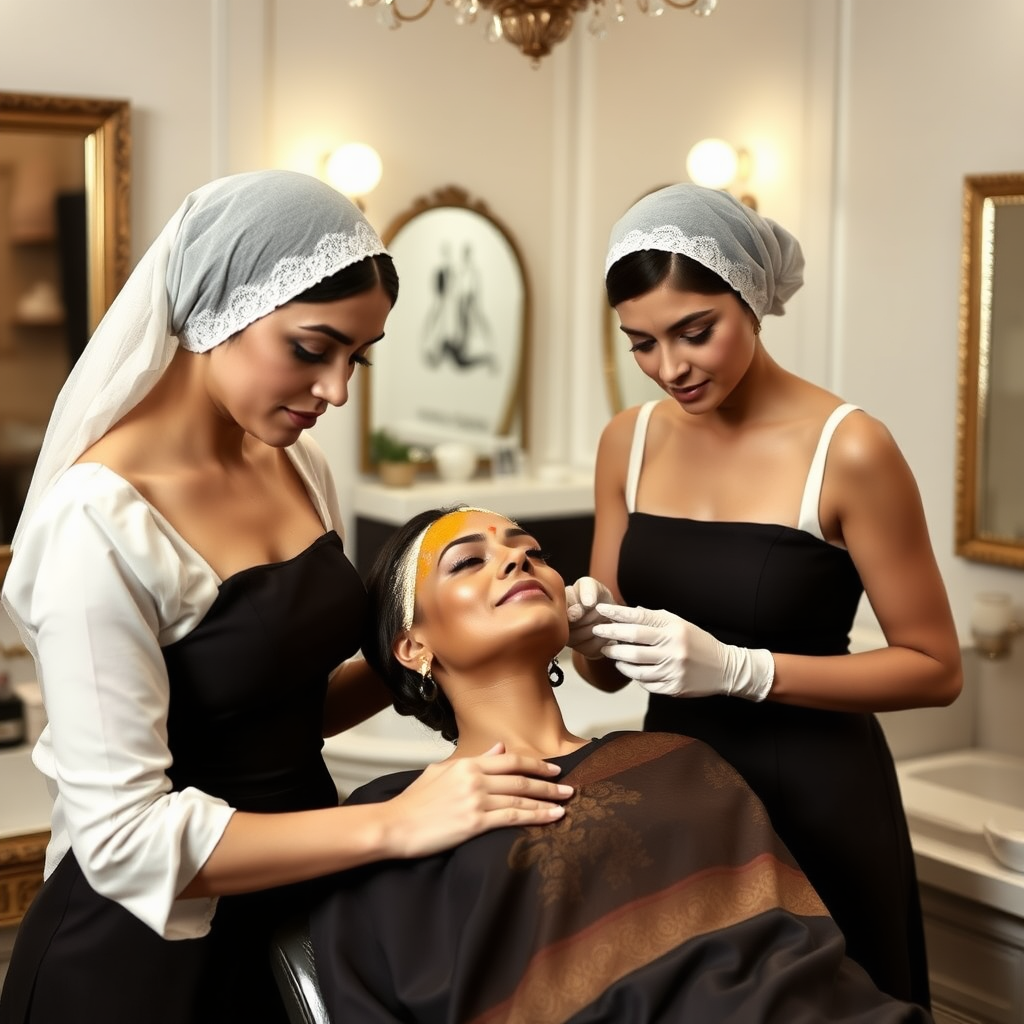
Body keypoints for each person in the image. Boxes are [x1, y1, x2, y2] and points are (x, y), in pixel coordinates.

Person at [0, 171, 571, 1024]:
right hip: (144, 963)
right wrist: (400, 822)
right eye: (311, 349)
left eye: (357, 357)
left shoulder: (296, 464)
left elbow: (279, 713)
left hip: (298, 910)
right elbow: (123, 840)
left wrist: (465, 638)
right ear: (215, 310)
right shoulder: (97, 522)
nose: (337, 391)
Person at [564, 183, 963, 1008]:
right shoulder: (626, 442)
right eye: (641, 343)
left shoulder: (847, 448)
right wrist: (585, 631)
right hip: (676, 794)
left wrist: (746, 671)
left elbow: (934, 668)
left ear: (748, 299)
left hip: (815, 794)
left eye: (694, 332)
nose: (669, 367)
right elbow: (607, 676)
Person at [309, 504, 933, 1023]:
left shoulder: (676, 759)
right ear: (413, 645)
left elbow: (802, 959)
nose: (519, 559)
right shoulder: (387, 819)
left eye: (533, 552)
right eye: (469, 561)